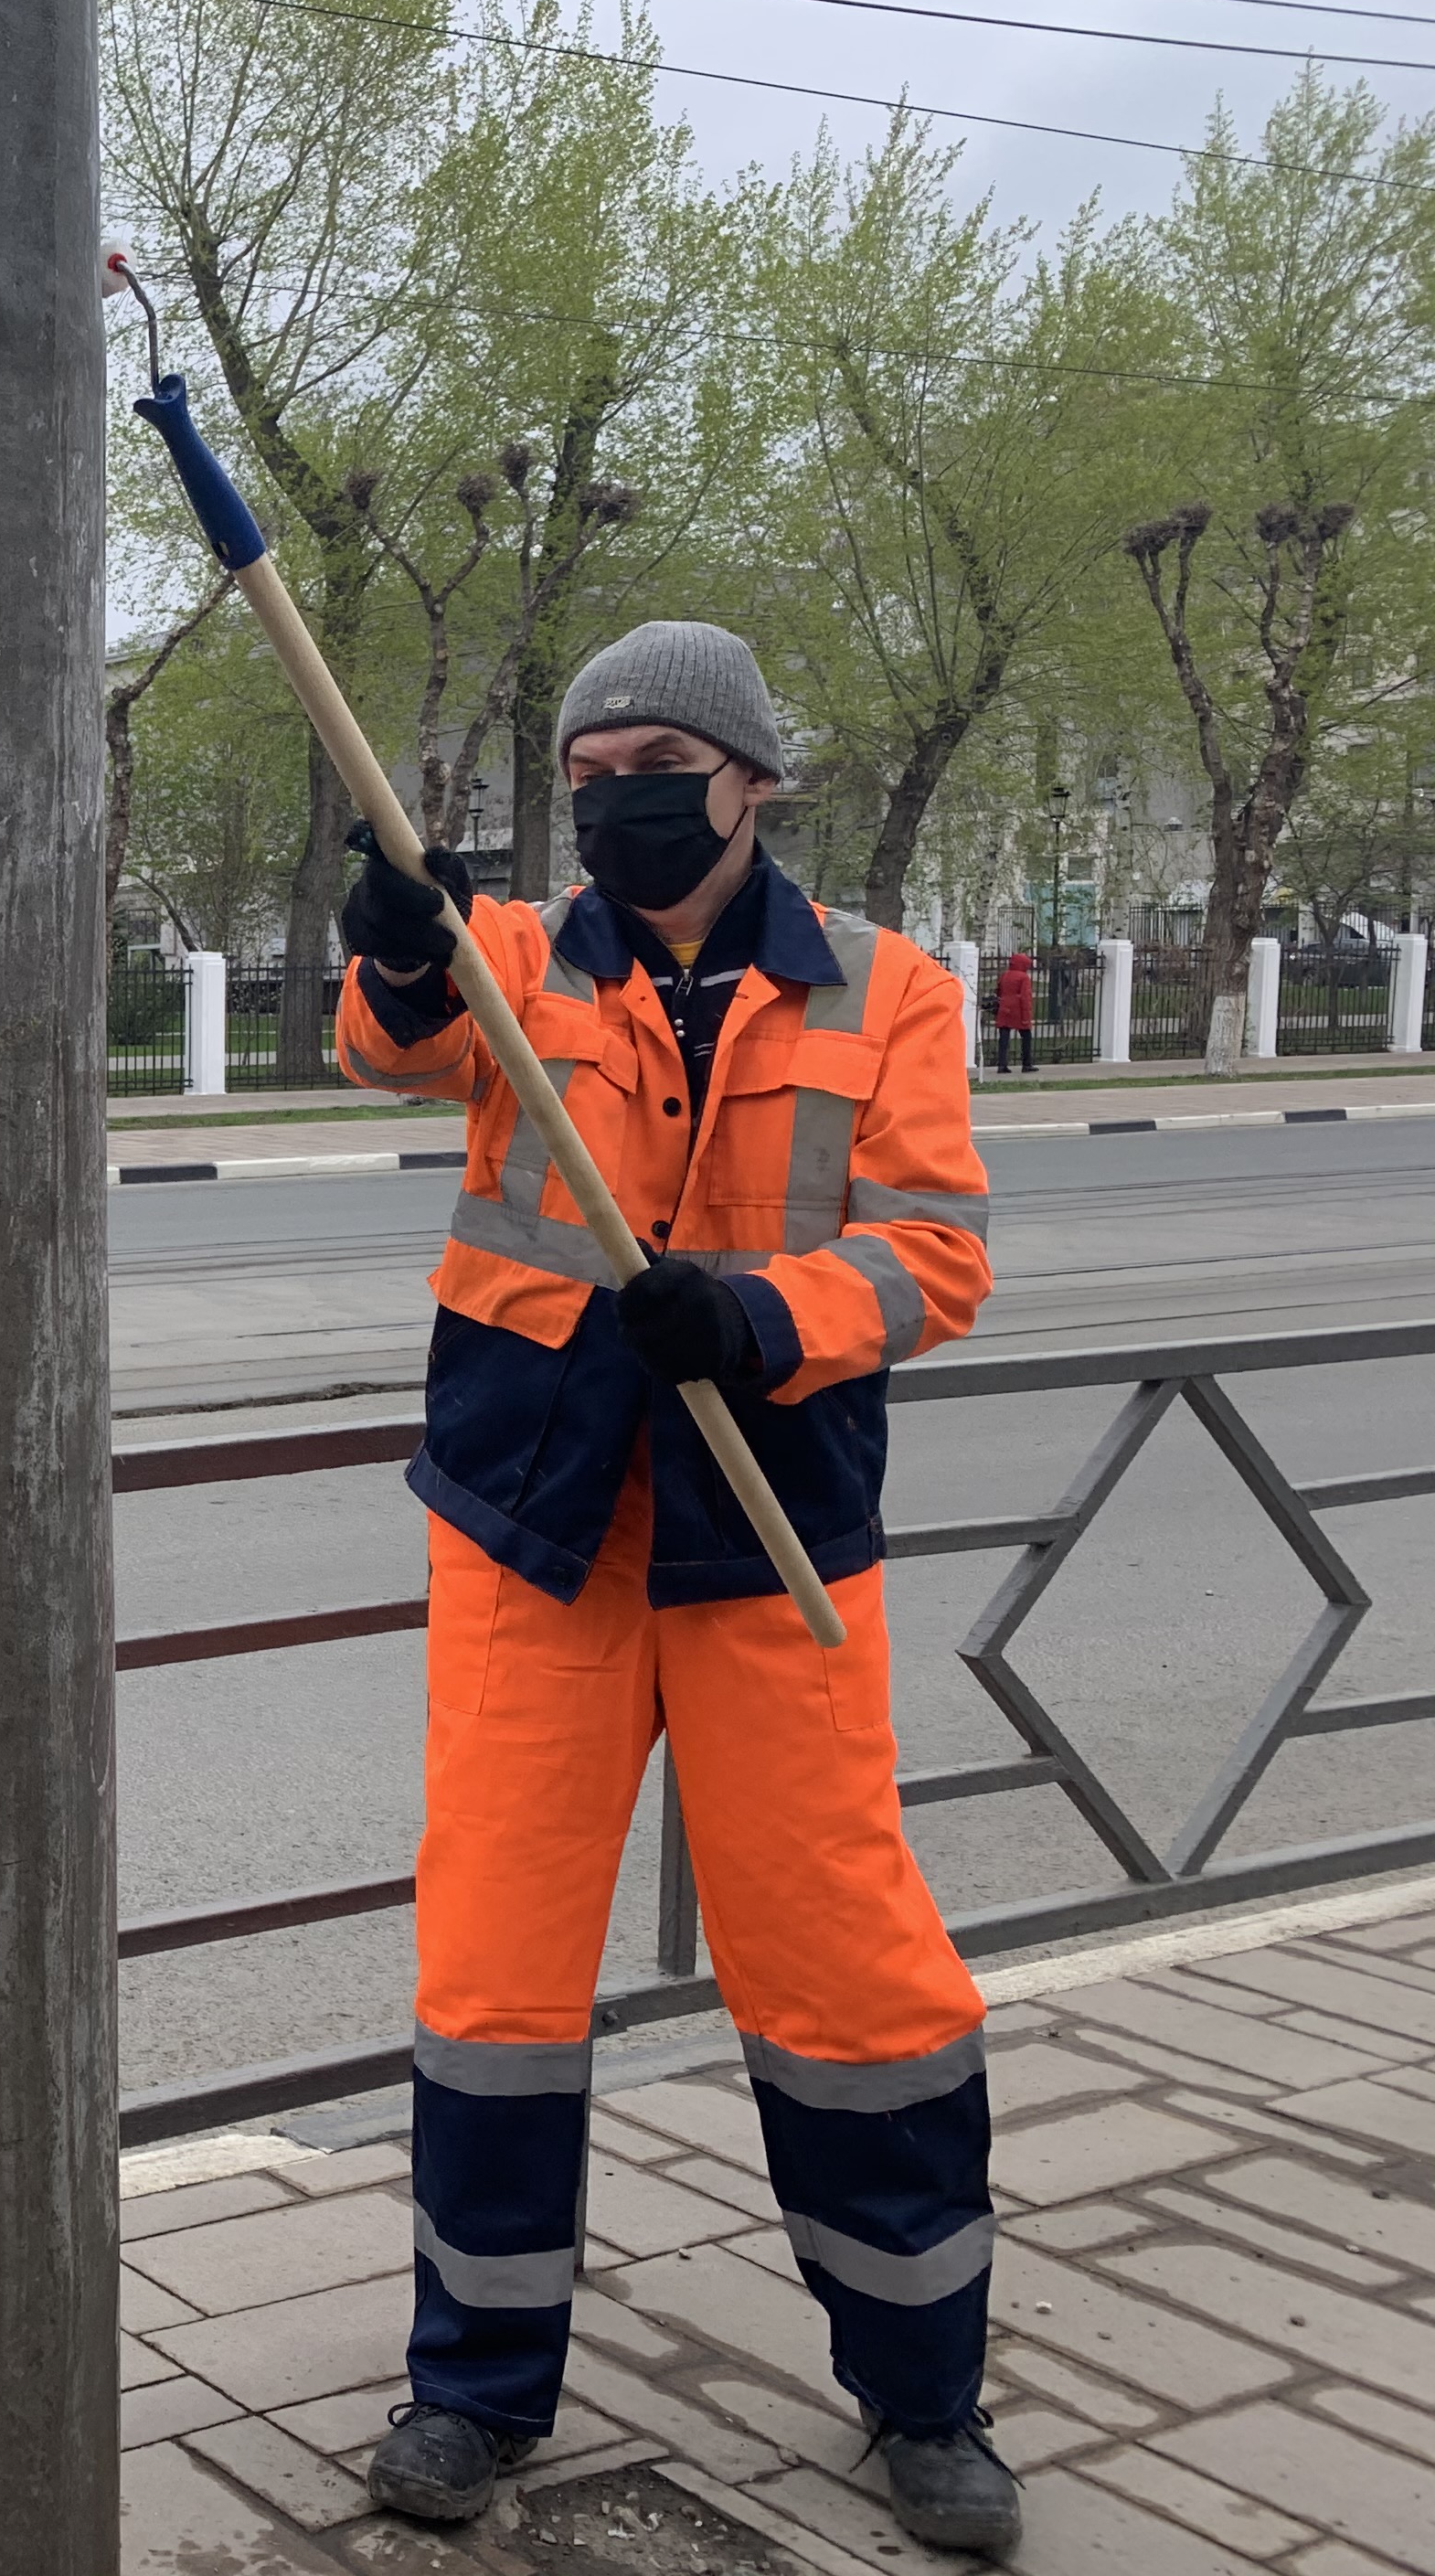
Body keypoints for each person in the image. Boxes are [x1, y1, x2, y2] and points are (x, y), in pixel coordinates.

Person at [333, 621, 1016, 2555]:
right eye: (587, 767)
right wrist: (398, 937)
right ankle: (472, 2389)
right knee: (495, 1976)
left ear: (748, 779)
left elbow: (937, 1260)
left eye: (652, 757)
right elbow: (398, 1048)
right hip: (536, 1532)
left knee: (850, 1971)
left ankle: (923, 2394)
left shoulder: (891, 990)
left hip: (768, 1539)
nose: (615, 794)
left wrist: (760, 1313)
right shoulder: (524, 955)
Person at [991, 949, 1036, 1075]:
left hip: (1004, 1007)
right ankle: (1026, 1064)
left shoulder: (1005, 975)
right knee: (1026, 1036)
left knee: (1004, 1038)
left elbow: (999, 991)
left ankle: (1002, 1065)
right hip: (1018, 1009)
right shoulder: (1023, 977)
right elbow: (1025, 997)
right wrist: (1026, 1016)